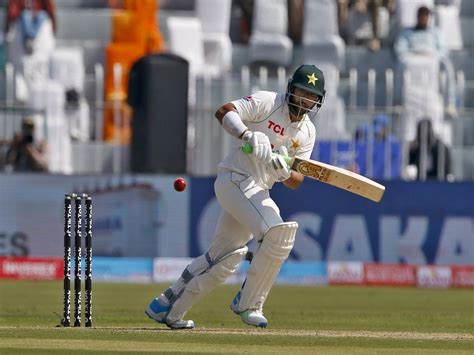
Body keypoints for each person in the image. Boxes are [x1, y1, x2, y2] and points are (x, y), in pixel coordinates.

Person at [145, 64, 326, 329]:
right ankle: (249, 303)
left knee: (222, 261)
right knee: (278, 233)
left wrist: (282, 170)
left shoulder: (307, 132)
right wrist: (247, 134)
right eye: (301, 92)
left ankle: (166, 307)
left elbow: (296, 181)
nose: (305, 99)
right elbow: (224, 111)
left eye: (311, 95)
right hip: (235, 179)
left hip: (257, 190)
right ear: (291, 89)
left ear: (318, 100)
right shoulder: (268, 102)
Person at [394, 6, 457, 117]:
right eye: (421, 16)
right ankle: (399, 102)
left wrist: (434, 56)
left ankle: (449, 104)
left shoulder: (436, 33)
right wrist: (411, 56)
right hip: (412, 59)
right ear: (417, 17)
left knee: (448, 66)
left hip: (432, 59)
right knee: (400, 65)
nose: (423, 18)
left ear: (428, 18)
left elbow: (443, 50)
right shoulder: (407, 33)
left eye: (426, 16)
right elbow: (400, 49)